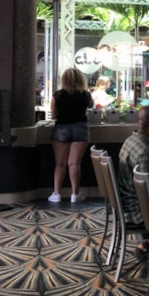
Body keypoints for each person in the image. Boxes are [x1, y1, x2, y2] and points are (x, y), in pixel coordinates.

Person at [48, 67, 93, 203]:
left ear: (64, 80)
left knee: (60, 164)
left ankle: (56, 193)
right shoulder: (85, 95)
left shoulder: (57, 95)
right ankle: (75, 194)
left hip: (61, 128)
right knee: (74, 164)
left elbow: (54, 114)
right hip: (80, 128)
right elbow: (91, 106)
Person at [117, 105, 149, 225]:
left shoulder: (130, 140)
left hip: (127, 205)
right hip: (139, 211)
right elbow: (148, 189)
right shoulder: (145, 152)